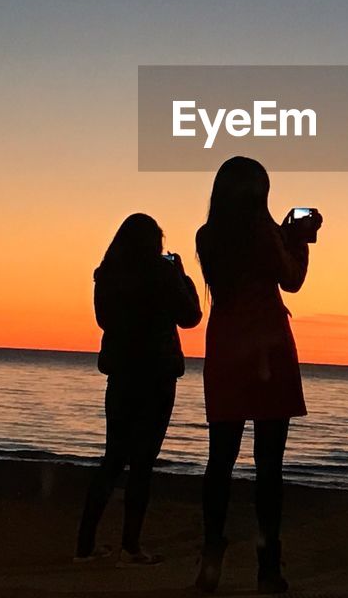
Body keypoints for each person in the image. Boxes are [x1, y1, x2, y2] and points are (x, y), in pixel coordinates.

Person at [193, 156, 322, 594]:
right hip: (267, 349)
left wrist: (283, 235)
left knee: (220, 461)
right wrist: (300, 240)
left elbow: (244, 267)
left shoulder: (207, 237)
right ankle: (268, 567)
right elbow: (290, 279)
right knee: (269, 466)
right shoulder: (264, 233)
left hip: (227, 349)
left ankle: (211, 561)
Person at [75, 212, 202, 563]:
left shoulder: (108, 277)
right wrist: (180, 274)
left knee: (113, 459)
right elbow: (191, 316)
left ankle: (84, 545)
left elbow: (104, 320)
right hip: (157, 376)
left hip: (121, 376)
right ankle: (131, 545)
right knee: (143, 463)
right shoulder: (162, 274)